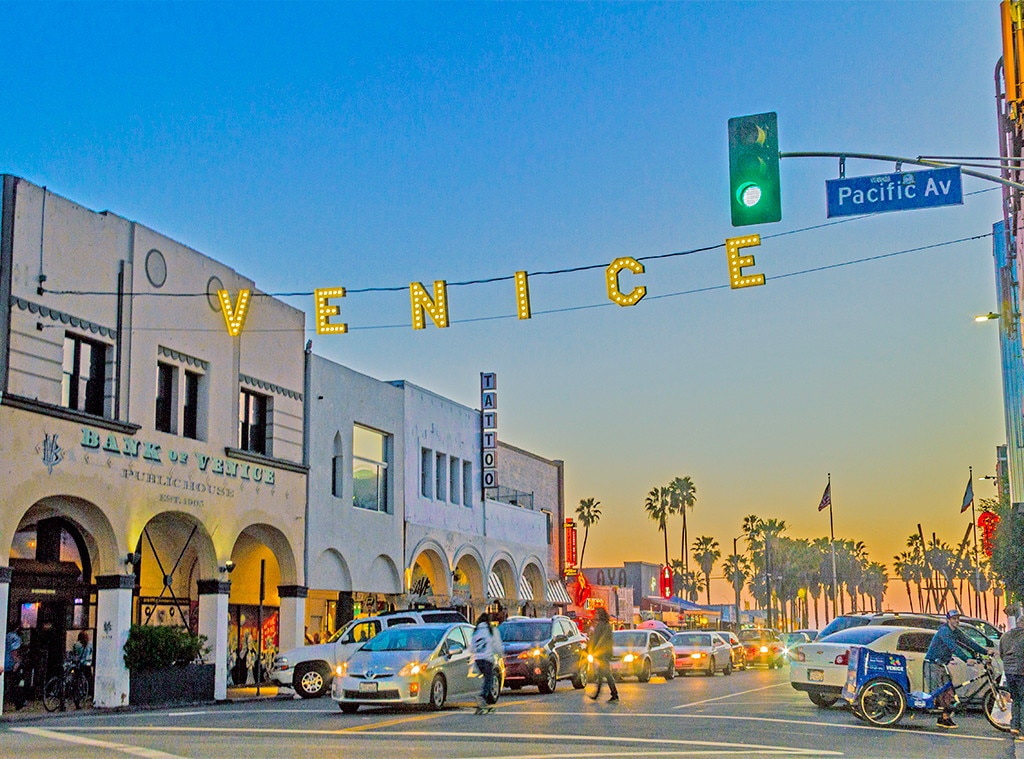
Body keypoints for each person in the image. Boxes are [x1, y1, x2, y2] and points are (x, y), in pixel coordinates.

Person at [923, 609, 989, 729]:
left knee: (948, 691)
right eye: (954, 619)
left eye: (958, 618)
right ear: (948, 620)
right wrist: (966, 659)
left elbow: (968, 642)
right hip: (933, 664)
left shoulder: (956, 631)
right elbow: (953, 647)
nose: (957, 621)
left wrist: (985, 651)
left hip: (942, 664)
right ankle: (944, 718)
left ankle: (944, 718)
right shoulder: (944, 631)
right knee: (943, 692)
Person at [470, 612, 503, 713]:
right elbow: (497, 645)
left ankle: (486, 701)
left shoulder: (476, 631)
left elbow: (472, 647)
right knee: (489, 679)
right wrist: (501, 655)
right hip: (487, 659)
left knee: (487, 678)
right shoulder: (491, 630)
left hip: (478, 659)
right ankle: (482, 697)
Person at [999, 612, 1024, 739]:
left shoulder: (1005, 635)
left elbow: (1001, 653)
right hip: (1021, 671)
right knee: (1023, 699)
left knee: (1016, 699)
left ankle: (1014, 727)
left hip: (1009, 671)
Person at [587, 608, 618, 702]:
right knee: (601, 674)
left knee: (607, 674)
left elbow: (600, 639)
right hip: (603, 652)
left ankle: (614, 694)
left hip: (602, 652)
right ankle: (598, 694)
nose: (595, 615)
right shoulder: (605, 625)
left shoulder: (603, 625)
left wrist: (594, 649)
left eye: (596, 613)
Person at [3, 628, 26, 711]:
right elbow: (14, 652)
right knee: (18, 683)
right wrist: (17, 662)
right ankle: (19, 703)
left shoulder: (6, 636)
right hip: (10, 664)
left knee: (6, 683)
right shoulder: (15, 638)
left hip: (4, 663)